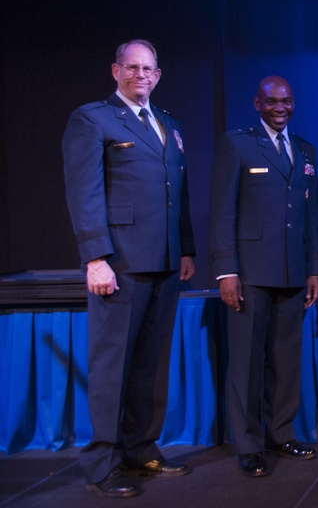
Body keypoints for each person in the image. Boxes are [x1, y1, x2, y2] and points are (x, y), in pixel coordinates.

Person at [62, 39, 195, 499]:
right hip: (119, 262)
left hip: (164, 261)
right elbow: (84, 192)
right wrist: (95, 257)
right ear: (116, 70)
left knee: (149, 363)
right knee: (111, 365)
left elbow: (177, 193)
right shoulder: (92, 118)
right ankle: (103, 461)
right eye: (133, 67)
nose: (142, 75)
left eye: (150, 69)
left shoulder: (169, 125)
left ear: (158, 75)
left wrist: (187, 249)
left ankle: (141, 447)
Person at [209, 76, 318, 478]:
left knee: (285, 361)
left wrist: (314, 268)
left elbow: (311, 217)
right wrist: (226, 270)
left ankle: (281, 433)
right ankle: (249, 444)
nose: (281, 107)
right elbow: (222, 211)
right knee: (246, 364)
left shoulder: (306, 149)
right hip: (250, 273)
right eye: (272, 101)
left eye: (287, 100)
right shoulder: (236, 144)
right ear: (257, 103)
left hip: (293, 273)